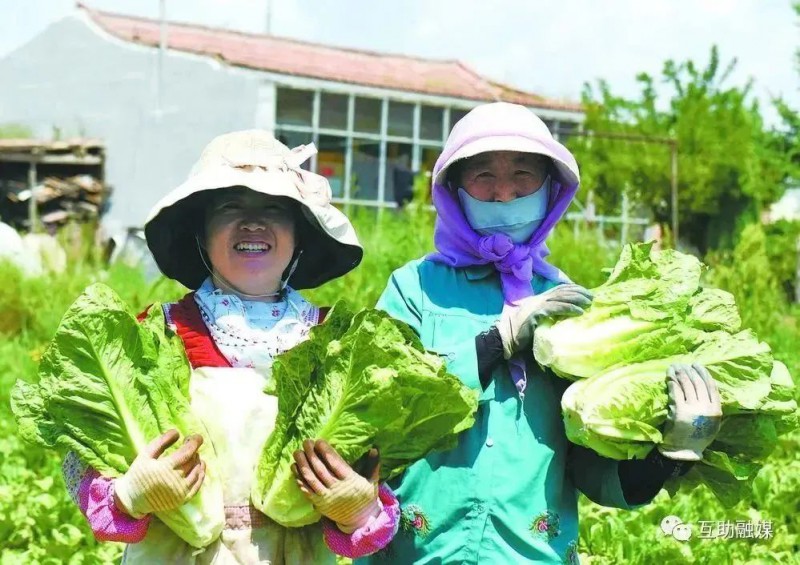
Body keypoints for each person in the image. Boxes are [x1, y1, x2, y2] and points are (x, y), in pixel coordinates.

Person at [363, 103, 722, 564]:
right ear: (453, 189)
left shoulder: (576, 308)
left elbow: (591, 467)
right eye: (483, 176)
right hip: (418, 552)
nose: (504, 194)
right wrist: (495, 342)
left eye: (523, 175)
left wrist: (668, 455)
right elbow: (382, 410)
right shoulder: (413, 289)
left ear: (551, 191)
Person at [61, 130, 399, 563]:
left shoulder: (338, 346)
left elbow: (373, 473)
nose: (253, 223)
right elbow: (82, 464)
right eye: (230, 206)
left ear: (300, 234)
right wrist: (129, 493)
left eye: (275, 208)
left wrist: (360, 509)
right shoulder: (158, 332)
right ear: (201, 234)